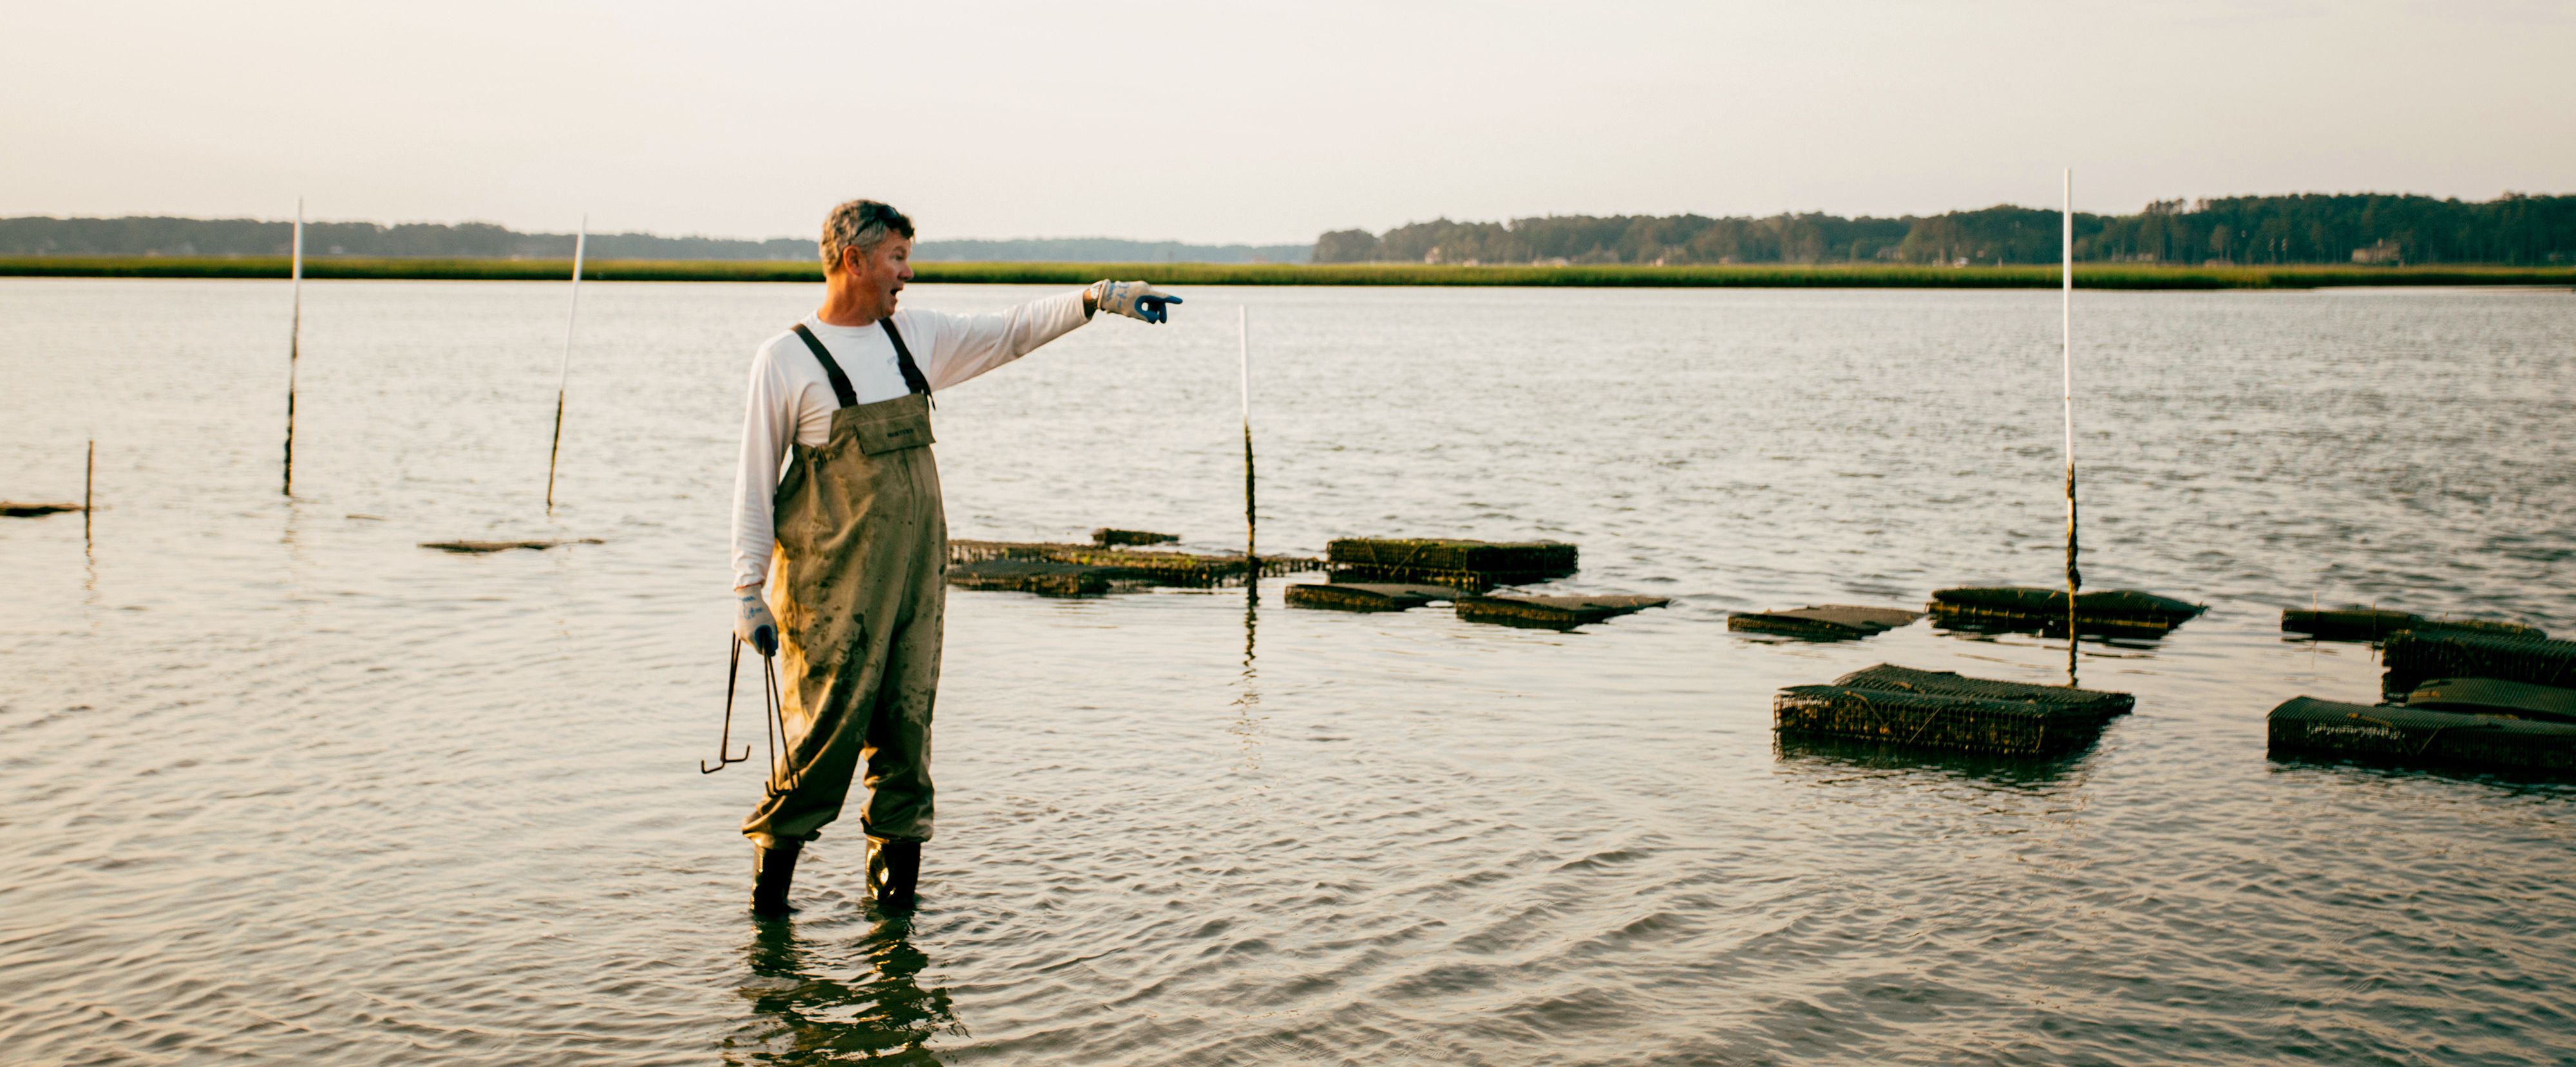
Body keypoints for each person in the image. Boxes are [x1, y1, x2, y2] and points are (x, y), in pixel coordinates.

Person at [730, 199, 1178, 915]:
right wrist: (746, 590)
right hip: (827, 593)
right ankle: (769, 918)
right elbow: (753, 482)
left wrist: (1098, 300)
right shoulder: (785, 359)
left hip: (914, 587)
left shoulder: (913, 338)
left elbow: (1009, 333)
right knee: (820, 746)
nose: (907, 274)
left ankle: (893, 922)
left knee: (908, 743)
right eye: (897, 259)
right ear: (855, 260)